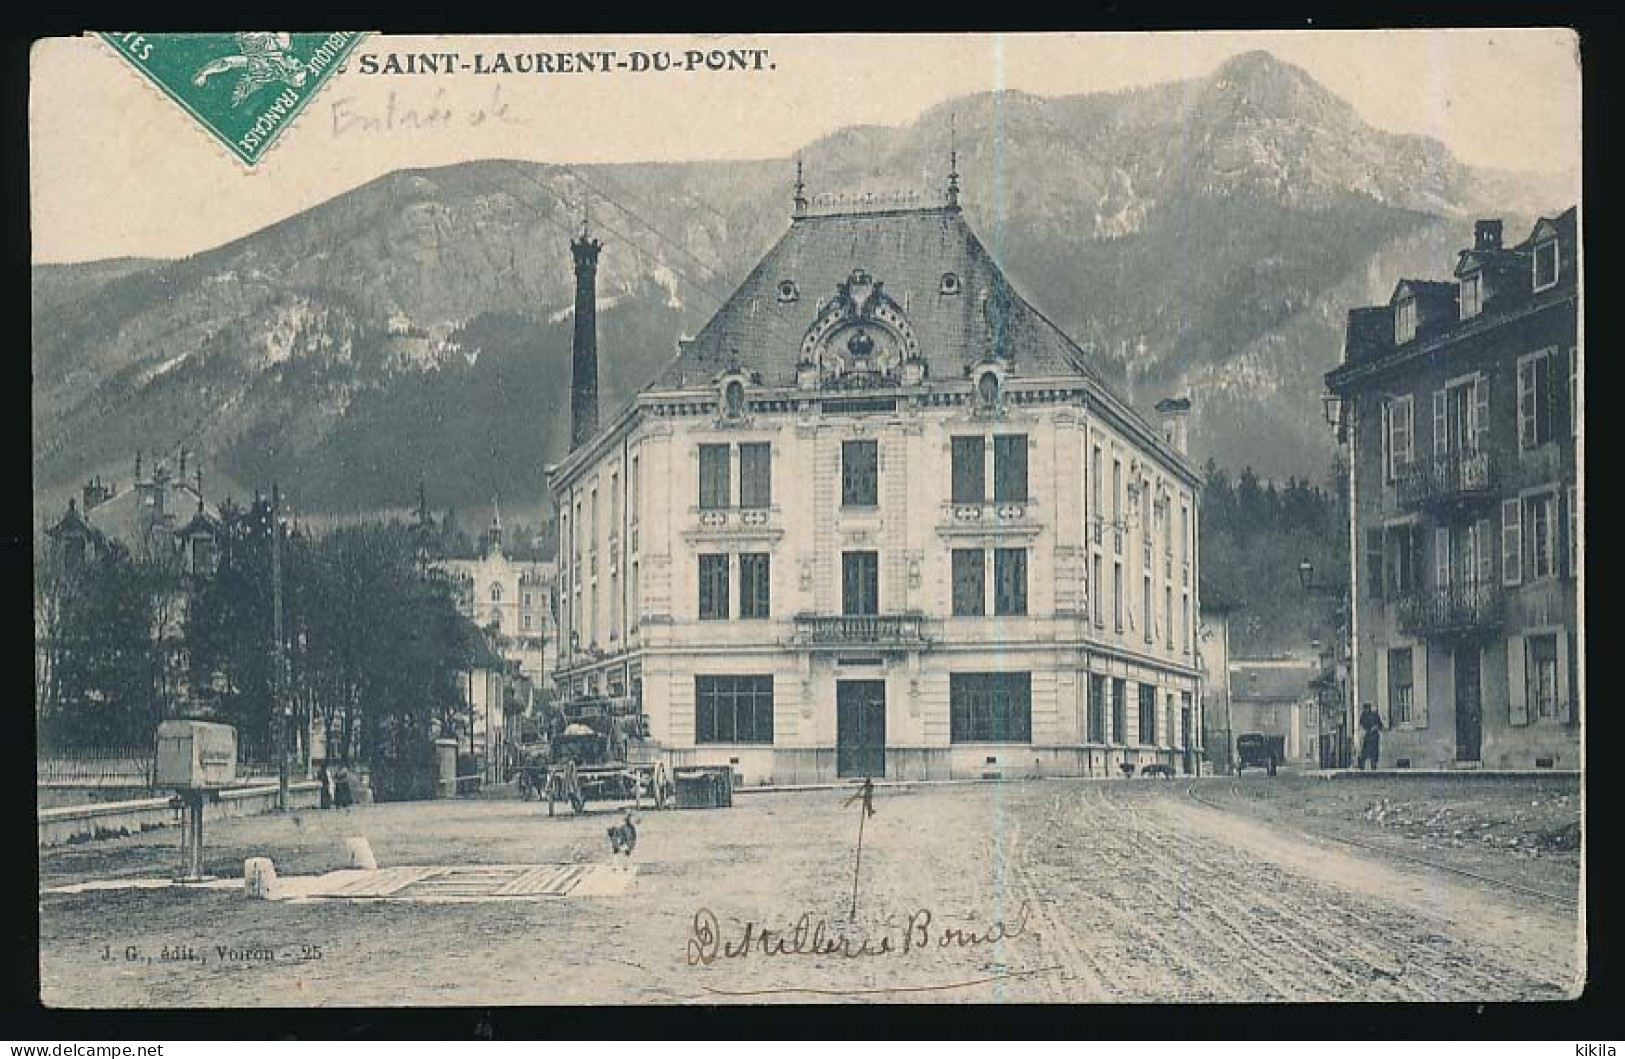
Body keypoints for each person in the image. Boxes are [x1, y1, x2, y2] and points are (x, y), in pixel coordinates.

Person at [1357, 704, 1383, 770]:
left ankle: (1373, 764)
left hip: (1374, 736)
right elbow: (1361, 724)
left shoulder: (1374, 715)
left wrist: (1375, 727)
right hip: (1367, 735)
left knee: (1374, 752)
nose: (1366, 710)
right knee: (1365, 751)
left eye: (1367, 708)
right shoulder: (1363, 715)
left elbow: (1380, 725)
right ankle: (1362, 764)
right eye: (1365, 709)